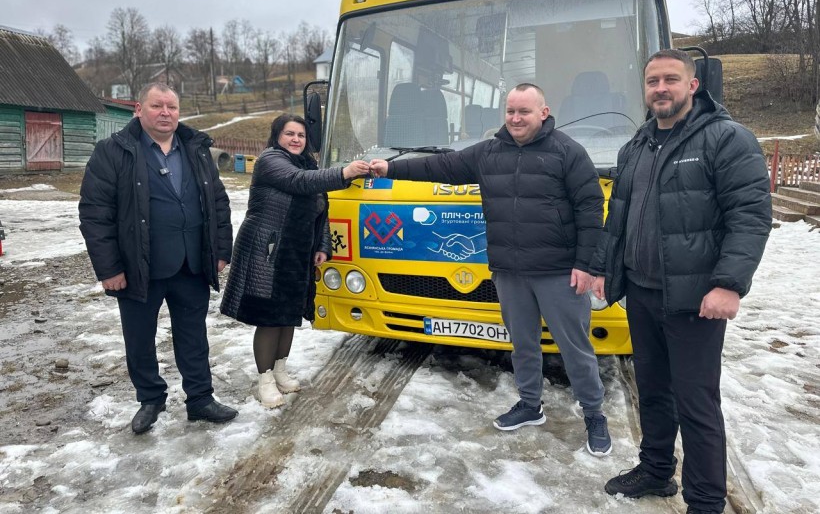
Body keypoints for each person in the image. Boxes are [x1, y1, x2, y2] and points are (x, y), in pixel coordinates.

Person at [370, 83, 612, 456]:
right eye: (511, 111)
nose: (515, 119)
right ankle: (530, 405)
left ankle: (594, 415)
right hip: (509, 270)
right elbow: (438, 166)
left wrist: (586, 265)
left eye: (524, 112)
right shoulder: (488, 152)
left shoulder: (567, 152)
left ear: (543, 113)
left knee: (574, 347)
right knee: (523, 345)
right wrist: (389, 168)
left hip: (558, 271)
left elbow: (590, 209)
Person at [590, 50, 771, 513]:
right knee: (652, 390)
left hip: (696, 299)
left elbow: (750, 217)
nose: (660, 88)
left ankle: (707, 502)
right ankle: (655, 470)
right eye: (653, 81)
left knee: (696, 403)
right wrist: (605, 270)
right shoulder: (636, 146)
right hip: (644, 292)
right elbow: (619, 219)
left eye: (671, 79)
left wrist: (729, 283)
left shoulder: (727, 139)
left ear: (693, 85)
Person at [79, 83, 237, 434]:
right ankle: (150, 399)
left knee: (194, 336)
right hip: (138, 267)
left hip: (192, 264)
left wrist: (221, 251)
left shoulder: (196, 149)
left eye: (172, 107)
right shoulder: (113, 152)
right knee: (139, 338)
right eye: (157, 106)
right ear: (139, 109)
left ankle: (200, 399)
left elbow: (218, 203)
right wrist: (109, 269)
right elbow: (95, 213)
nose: (166, 113)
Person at [220, 114, 370, 408]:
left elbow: (320, 210)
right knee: (268, 316)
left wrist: (322, 246)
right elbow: (298, 182)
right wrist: (345, 173)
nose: (296, 139)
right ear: (277, 136)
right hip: (267, 250)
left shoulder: (309, 165)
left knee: (288, 314)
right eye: (289, 133)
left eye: (301, 135)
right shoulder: (271, 161)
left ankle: (279, 371)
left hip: (296, 252)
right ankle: (264, 380)